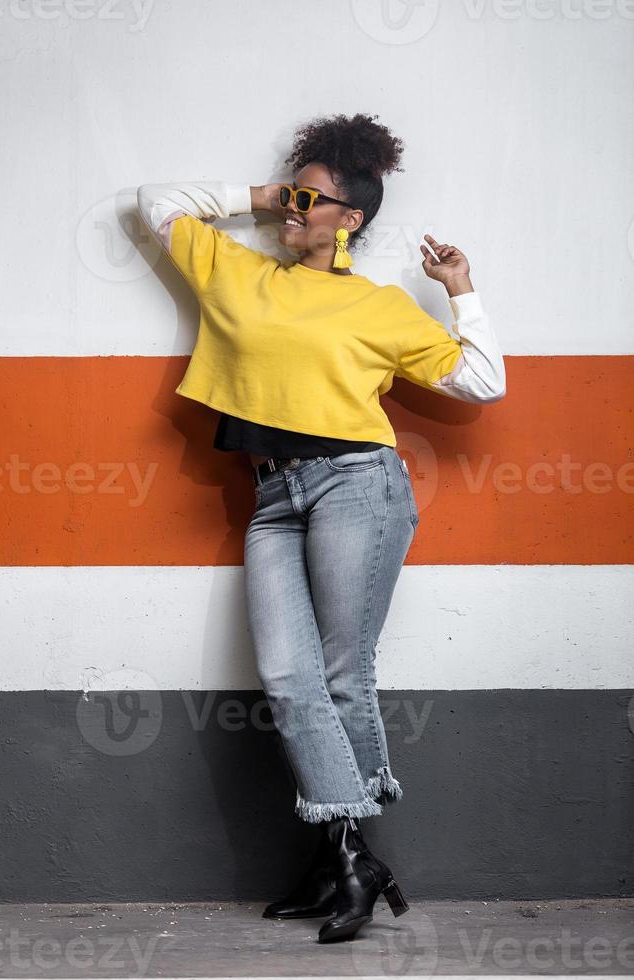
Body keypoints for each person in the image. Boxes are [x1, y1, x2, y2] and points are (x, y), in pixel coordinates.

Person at [137, 111, 506, 944]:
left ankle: (343, 861)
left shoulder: (375, 307)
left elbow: (482, 381)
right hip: (273, 499)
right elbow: (154, 203)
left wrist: (461, 289)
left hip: (357, 486)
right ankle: (353, 859)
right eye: (294, 192)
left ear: (354, 219)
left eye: (316, 196)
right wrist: (265, 194)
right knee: (287, 677)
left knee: (343, 672)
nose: (298, 206)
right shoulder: (237, 273)